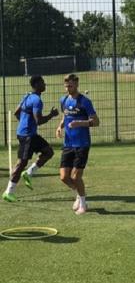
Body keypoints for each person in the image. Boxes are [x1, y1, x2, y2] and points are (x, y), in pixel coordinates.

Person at [3, 75, 58, 202]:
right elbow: (38, 120)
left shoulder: (27, 96)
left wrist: (24, 122)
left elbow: (17, 112)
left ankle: (29, 173)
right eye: (43, 82)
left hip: (30, 134)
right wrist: (51, 115)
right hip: (27, 135)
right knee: (21, 163)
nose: (45, 84)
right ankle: (8, 192)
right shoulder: (37, 101)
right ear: (37, 84)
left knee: (48, 152)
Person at [56, 74, 100, 215]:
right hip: (68, 143)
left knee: (75, 177)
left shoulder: (84, 102)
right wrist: (60, 126)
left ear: (77, 84)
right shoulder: (63, 100)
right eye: (66, 86)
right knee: (64, 177)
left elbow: (96, 121)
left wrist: (80, 123)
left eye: (71, 85)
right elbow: (65, 115)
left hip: (82, 143)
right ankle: (78, 193)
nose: (68, 88)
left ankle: (83, 204)